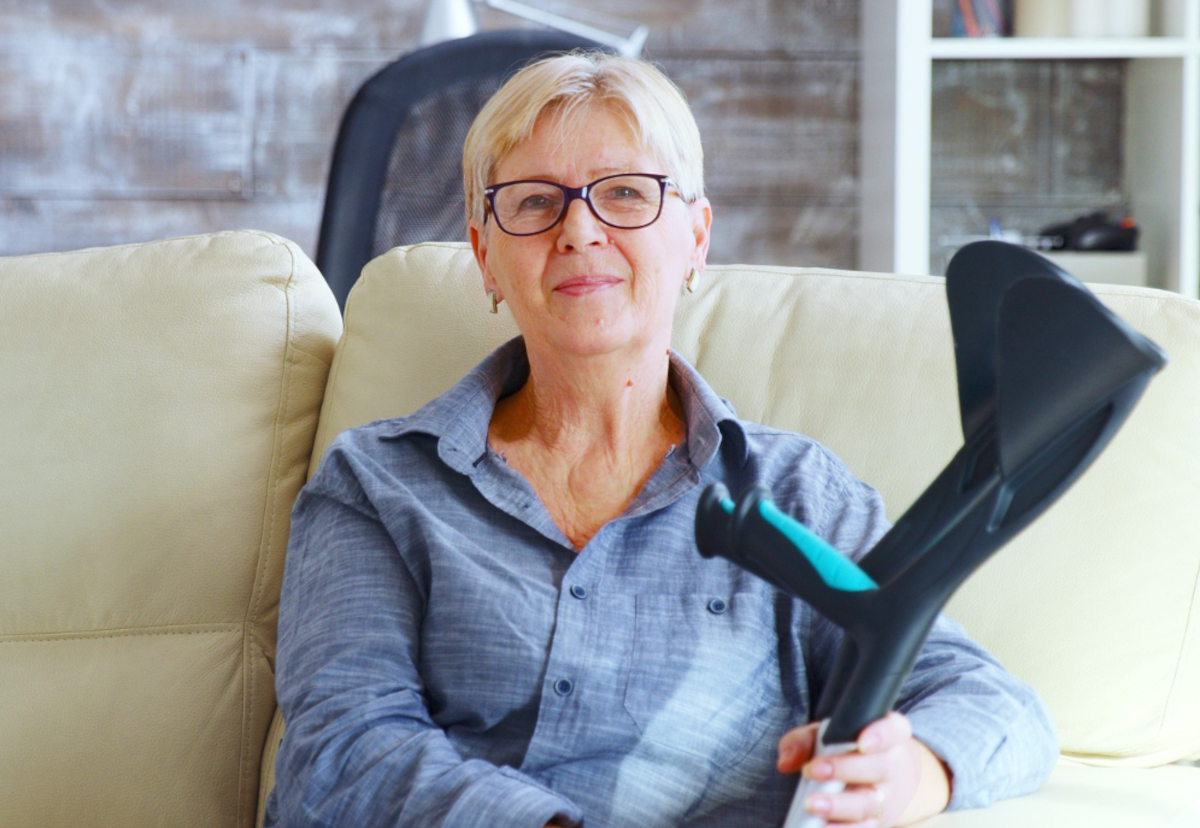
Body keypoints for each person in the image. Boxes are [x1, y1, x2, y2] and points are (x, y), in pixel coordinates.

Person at [264, 52, 1057, 828]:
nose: (579, 229)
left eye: (625, 194)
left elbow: (992, 704)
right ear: (486, 257)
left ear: (696, 238)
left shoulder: (796, 497)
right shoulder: (378, 483)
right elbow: (341, 753)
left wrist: (911, 773)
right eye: (536, 203)